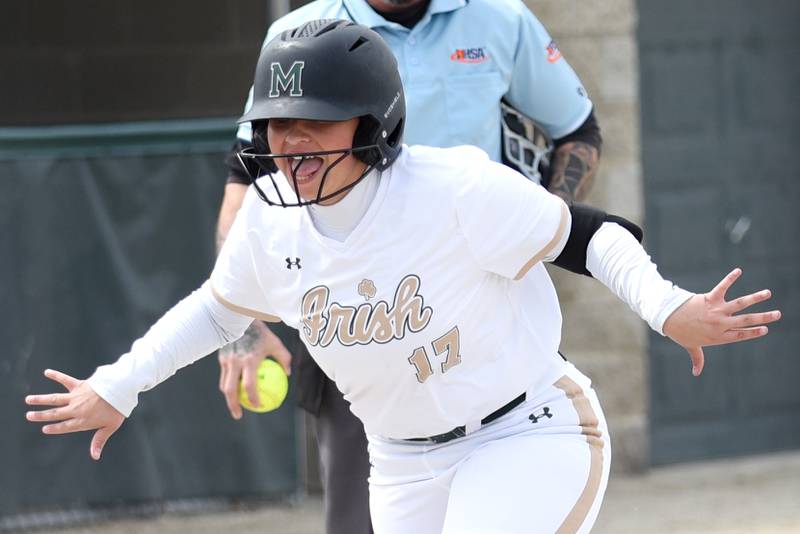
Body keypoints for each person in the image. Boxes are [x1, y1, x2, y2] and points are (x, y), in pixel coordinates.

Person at [25, 21, 780, 534]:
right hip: (400, 462)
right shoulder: (269, 216)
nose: (291, 142)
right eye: (277, 125)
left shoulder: (452, 189)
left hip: (527, 431)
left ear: (372, 124)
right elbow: (216, 311)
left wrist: (667, 305)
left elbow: (589, 235)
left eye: (314, 121)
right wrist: (119, 385)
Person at [215, 2, 602, 531]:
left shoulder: (502, 20)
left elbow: (577, 130)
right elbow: (248, 180)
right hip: (350, 319)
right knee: (357, 519)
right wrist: (241, 329)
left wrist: (541, 237)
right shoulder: (295, 36)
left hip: (479, 314)